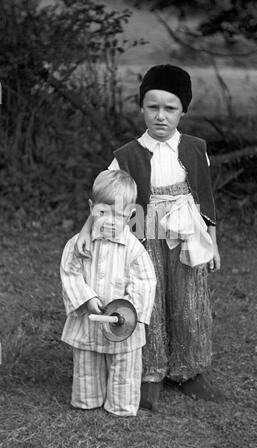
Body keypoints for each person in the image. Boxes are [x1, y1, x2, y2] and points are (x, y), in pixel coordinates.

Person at [76, 64, 221, 411]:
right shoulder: (125, 155)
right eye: (152, 107)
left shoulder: (195, 148)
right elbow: (104, 198)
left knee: (190, 300)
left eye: (170, 108)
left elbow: (205, 197)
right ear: (141, 107)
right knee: (147, 298)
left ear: (183, 110)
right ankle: (150, 371)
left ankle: (190, 370)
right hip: (144, 224)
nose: (160, 116)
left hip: (187, 229)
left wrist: (213, 241)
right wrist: (86, 229)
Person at [60, 170, 156, 417]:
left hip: (123, 326)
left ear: (132, 214)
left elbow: (145, 281)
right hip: (89, 320)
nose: (111, 221)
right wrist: (87, 299)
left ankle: (121, 405)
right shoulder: (78, 245)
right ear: (92, 208)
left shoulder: (134, 250)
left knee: (124, 364)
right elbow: (70, 273)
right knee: (86, 361)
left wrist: (129, 313)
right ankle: (87, 399)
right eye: (103, 213)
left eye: (120, 215)